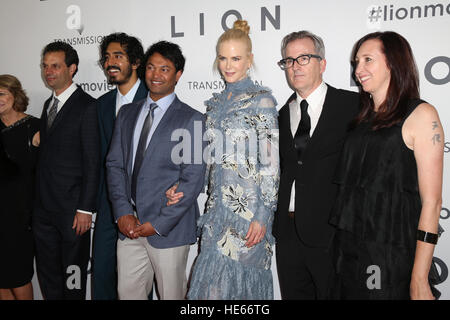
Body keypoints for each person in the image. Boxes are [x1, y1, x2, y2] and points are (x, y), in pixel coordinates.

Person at [167, 20, 280, 300]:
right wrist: (181, 185)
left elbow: (271, 165)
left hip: (248, 214)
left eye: (236, 58)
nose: (228, 65)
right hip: (216, 211)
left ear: (249, 60)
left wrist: (263, 217)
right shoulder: (216, 103)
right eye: (223, 58)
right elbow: (211, 159)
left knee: (239, 292)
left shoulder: (261, 101)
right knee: (210, 291)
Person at [329, 31, 444, 300]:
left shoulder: (422, 115)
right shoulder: (361, 120)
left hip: (389, 256)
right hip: (349, 252)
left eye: (368, 60)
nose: (359, 69)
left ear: (394, 62)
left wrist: (418, 278)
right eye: (356, 62)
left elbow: (432, 203)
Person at [106, 40, 206, 300]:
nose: (156, 75)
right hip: (129, 227)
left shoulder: (192, 118)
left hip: (167, 230)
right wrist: (122, 213)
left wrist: (159, 224)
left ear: (178, 75)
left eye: (165, 69)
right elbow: (114, 165)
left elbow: (192, 179)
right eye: (151, 67)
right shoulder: (127, 114)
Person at [272, 31, 360, 299]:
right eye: (289, 60)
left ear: (322, 63)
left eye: (304, 58)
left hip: (331, 235)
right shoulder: (281, 113)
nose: (295, 66)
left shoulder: (352, 106)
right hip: (287, 234)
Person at [33, 41, 100, 300]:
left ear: (72, 68)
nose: (49, 71)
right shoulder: (48, 105)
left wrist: (85, 208)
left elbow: (93, 161)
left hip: (72, 213)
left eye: (56, 66)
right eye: (45, 66)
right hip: (44, 211)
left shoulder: (87, 106)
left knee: (73, 276)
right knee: (49, 276)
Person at [93, 32, 148, 300]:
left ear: (135, 61)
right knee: (102, 274)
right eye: (106, 57)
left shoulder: (154, 98)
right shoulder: (102, 105)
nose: (110, 62)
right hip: (107, 202)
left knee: (139, 282)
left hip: (144, 204)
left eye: (118, 56)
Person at [0, 75, 40, 300]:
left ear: (15, 95)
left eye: (1, 93)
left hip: (21, 214)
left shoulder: (34, 126)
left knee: (18, 276)